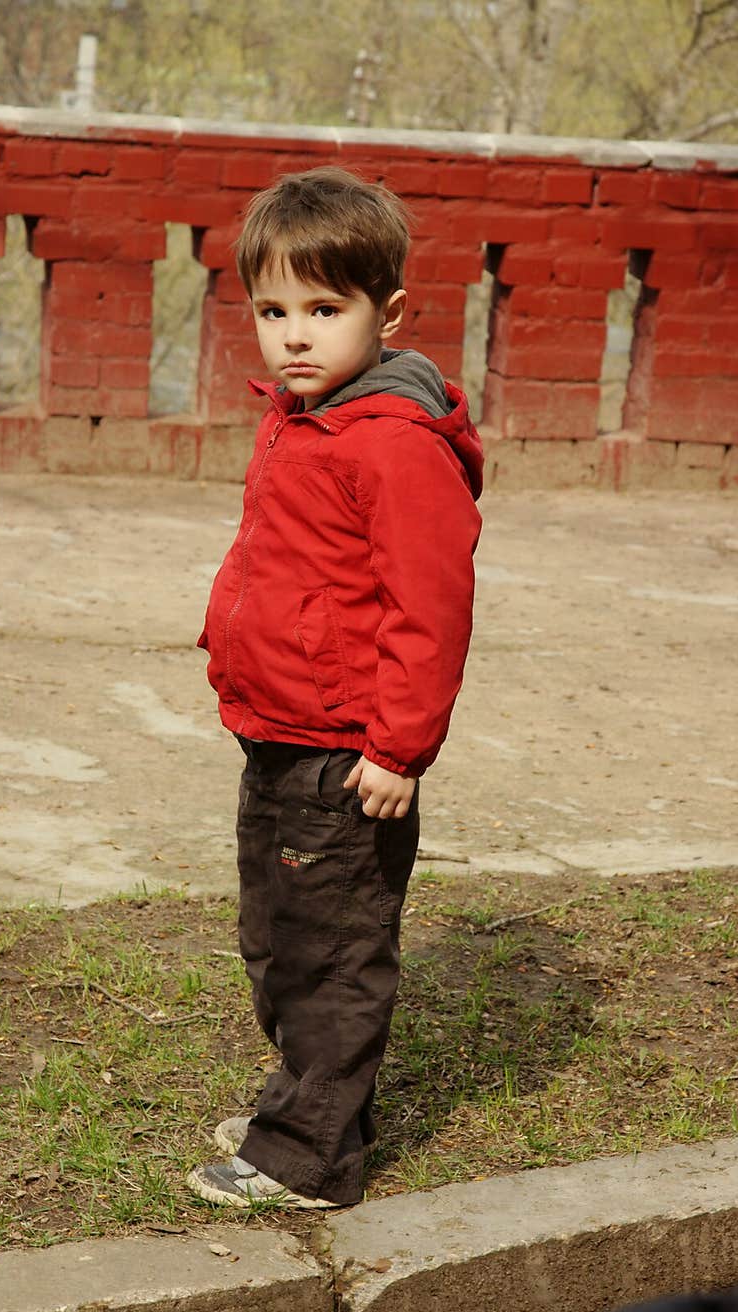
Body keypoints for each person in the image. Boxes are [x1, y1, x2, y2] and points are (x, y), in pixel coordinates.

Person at [189, 165, 484, 1210]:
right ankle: (310, 1103)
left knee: (332, 954)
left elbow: (429, 608)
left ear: (387, 312)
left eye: (324, 308)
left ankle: (308, 1154)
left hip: (348, 757)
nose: (295, 336)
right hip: (278, 731)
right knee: (277, 937)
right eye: (273, 310)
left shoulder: (395, 447)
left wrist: (397, 749)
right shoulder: (301, 418)